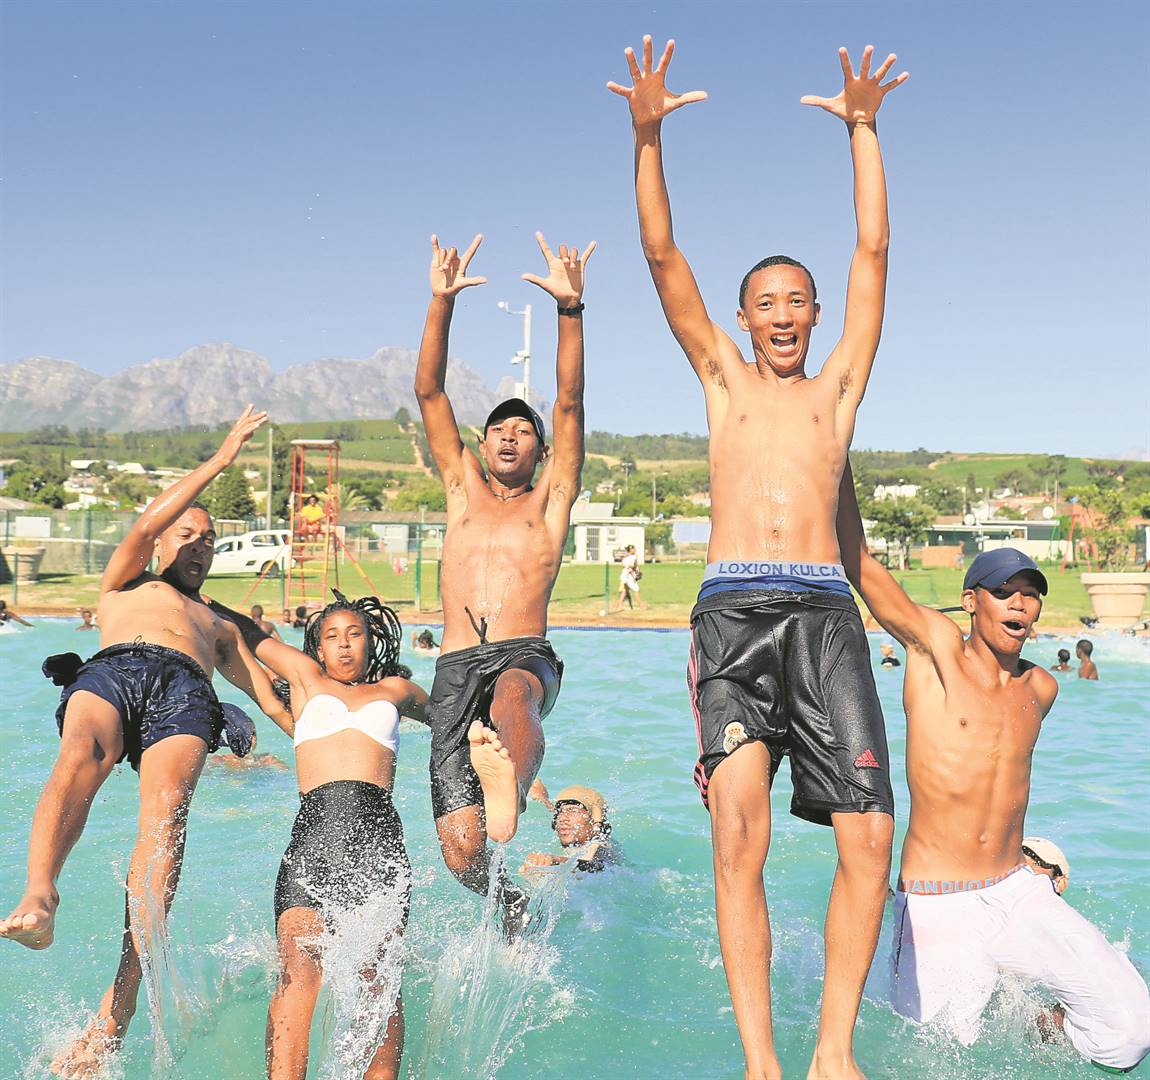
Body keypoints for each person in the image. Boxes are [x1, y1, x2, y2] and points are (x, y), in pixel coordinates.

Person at [609, 36, 906, 1077]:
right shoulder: (722, 380)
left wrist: (862, 130)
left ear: (815, 315)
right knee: (739, 838)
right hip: (733, 614)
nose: (782, 315)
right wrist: (646, 137)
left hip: (826, 615)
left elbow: (873, 252)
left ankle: (833, 1051)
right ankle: (761, 1062)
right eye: (765, 303)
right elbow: (661, 257)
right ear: (742, 319)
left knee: (869, 835)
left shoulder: (838, 389)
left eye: (797, 301)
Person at [0, 407, 292, 1076]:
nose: (199, 546)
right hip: (115, 670)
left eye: (210, 540)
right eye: (187, 534)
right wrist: (222, 459)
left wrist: (335, 739)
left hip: (187, 691)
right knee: (77, 757)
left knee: (164, 823)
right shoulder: (125, 581)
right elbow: (146, 520)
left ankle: (118, 1009)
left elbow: (270, 697)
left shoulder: (218, 623)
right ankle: (40, 893)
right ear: (161, 542)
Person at [836, 471, 1150, 1073]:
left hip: (1016, 890)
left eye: (1030, 594)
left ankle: (1039, 1024)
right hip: (937, 902)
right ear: (970, 600)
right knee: (938, 1062)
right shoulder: (934, 653)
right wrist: (834, 458)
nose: (1020, 603)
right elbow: (862, 566)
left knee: (1128, 1031)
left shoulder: (1042, 688)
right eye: (1004, 590)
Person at [414, 229, 592, 910]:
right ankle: (511, 907)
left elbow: (569, 403)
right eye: (498, 429)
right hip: (455, 667)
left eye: (524, 430)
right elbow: (429, 391)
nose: (510, 435)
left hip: (522, 653)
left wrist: (569, 310)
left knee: (514, 697)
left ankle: (509, 791)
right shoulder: (461, 491)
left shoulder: (551, 501)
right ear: (481, 445)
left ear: (542, 451)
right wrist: (441, 301)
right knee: (462, 853)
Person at [251, 593, 427, 1080]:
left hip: (379, 843)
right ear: (318, 647)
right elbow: (244, 638)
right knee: (298, 969)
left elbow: (454, 721)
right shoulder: (306, 680)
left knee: (378, 976)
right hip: (313, 838)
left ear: (371, 642)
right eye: (332, 636)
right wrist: (195, 601)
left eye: (355, 634)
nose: (344, 645)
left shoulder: (396, 690)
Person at [523, 780, 618, 875]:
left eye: (573, 811)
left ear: (593, 822)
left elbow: (591, 865)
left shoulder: (602, 845)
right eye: (560, 811)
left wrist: (555, 861)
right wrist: (544, 800)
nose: (563, 818)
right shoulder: (577, 846)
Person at [616, 545, 643, 611]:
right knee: (636, 589)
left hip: (625, 575)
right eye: (633, 548)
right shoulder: (632, 557)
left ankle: (620, 606)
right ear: (630, 550)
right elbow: (631, 567)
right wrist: (634, 575)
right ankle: (641, 606)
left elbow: (623, 564)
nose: (634, 549)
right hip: (628, 576)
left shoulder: (628, 557)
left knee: (625, 591)